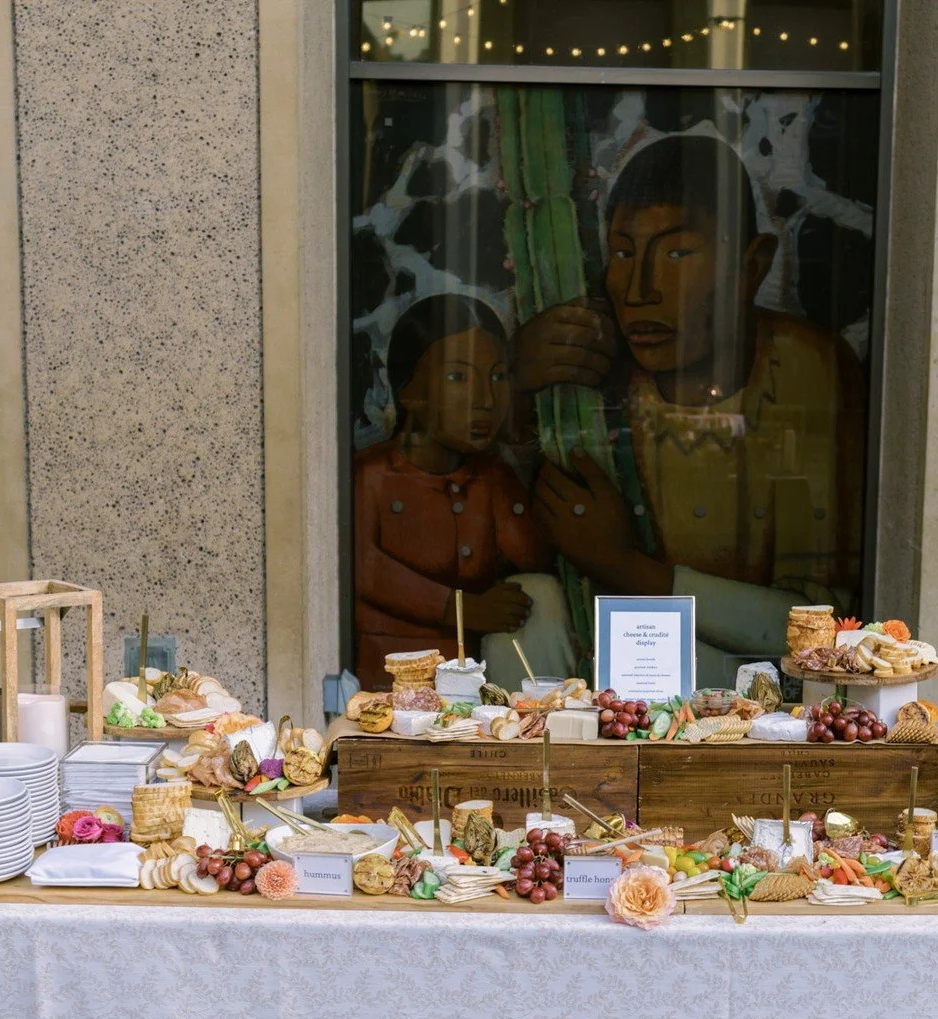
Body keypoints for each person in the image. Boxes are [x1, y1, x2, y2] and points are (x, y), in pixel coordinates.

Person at [515, 135, 866, 685]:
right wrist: (513, 386)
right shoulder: (594, 369)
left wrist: (624, 568)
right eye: (624, 253)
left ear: (752, 267)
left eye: (677, 253)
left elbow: (814, 633)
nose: (640, 290)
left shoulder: (804, 369)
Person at [353, 294, 553, 689]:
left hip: (475, 687)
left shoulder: (491, 475)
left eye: (497, 377)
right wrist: (460, 609)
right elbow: (364, 569)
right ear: (409, 391)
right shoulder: (372, 475)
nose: (484, 400)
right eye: (458, 377)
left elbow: (534, 560)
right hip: (388, 682)